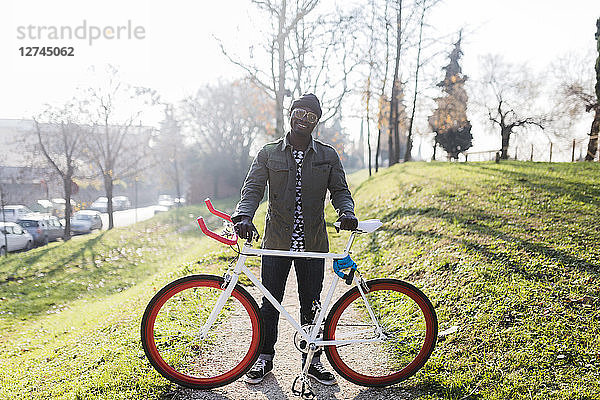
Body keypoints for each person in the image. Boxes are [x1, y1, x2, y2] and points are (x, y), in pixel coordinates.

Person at [231, 93, 358, 385]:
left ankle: (312, 361)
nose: (304, 119)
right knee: (270, 301)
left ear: (316, 122)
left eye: (311, 116)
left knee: (311, 303)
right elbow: (252, 188)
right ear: (291, 114)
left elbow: (340, 191)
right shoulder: (269, 152)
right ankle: (264, 358)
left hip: (313, 243)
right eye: (300, 112)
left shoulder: (328, 155)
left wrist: (346, 212)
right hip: (276, 241)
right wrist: (243, 216)